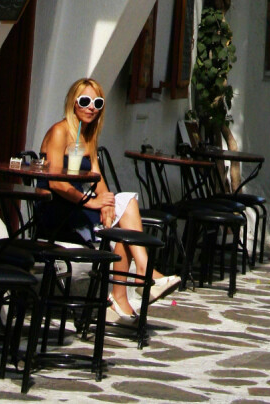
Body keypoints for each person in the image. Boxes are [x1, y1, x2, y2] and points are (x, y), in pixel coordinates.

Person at [39, 78, 181, 321]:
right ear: (73, 103)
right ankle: (137, 282)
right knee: (122, 223)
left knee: (123, 214)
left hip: (78, 208)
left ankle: (127, 293)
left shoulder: (88, 136)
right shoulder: (60, 132)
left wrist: (106, 202)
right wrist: (92, 202)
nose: (91, 107)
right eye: (84, 101)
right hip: (59, 212)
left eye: (97, 102)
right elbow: (55, 183)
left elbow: (97, 178)